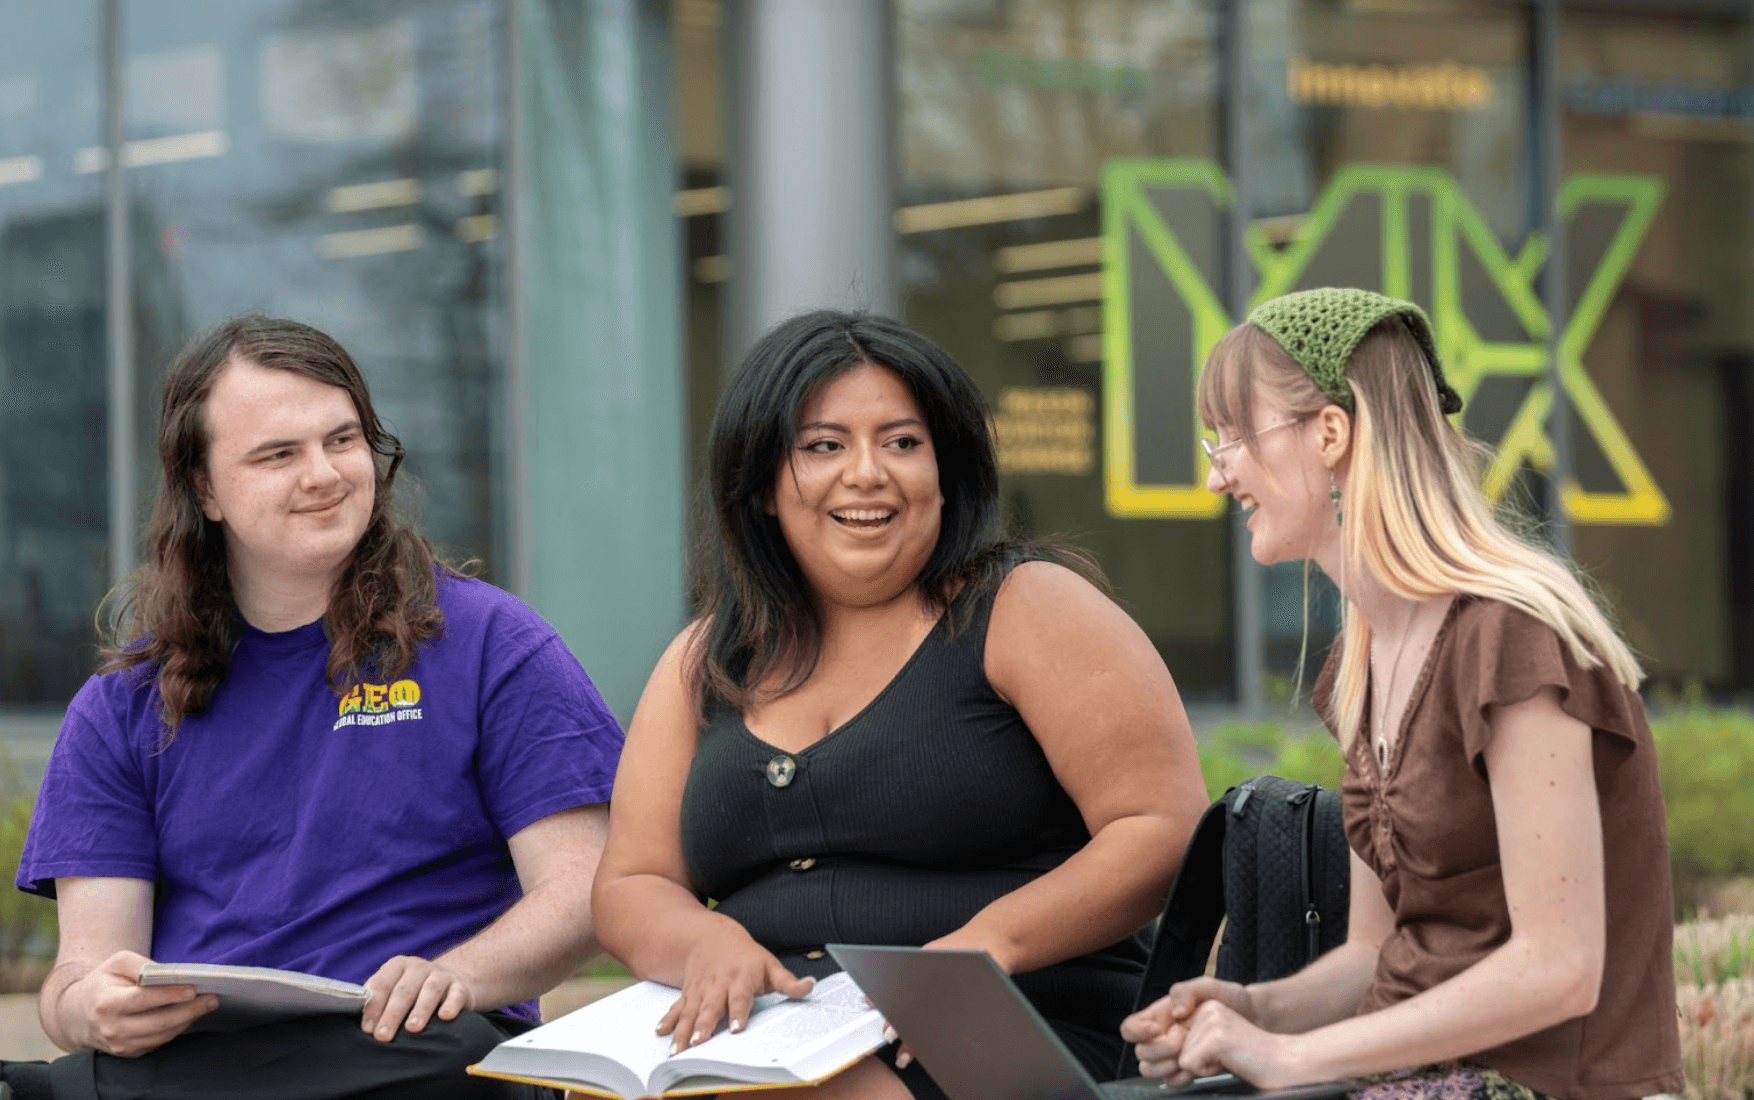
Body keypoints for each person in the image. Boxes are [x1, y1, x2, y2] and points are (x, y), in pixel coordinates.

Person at [591, 310, 1207, 1100]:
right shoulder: (704, 659)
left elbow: (1161, 827)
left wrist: (985, 945)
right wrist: (702, 940)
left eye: (902, 441)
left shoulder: (1026, 608)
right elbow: (633, 881)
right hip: (781, 1032)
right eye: (823, 445)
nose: (868, 472)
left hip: (1013, 1018)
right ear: (764, 486)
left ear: (946, 473)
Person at [11, 316, 624, 1100]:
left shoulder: (493, 644)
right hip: (203, 1057)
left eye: (343, 440)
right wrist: (92, 1010)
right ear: (204, 489)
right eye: (278, 454)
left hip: (412, 1058)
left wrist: (457, 975)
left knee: (451, 1054)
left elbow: (589, 888)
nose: (326, 474)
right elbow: (77, 976)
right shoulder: (121, 705)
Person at [1121, 288, 1684, 1100]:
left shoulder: (1510, 638)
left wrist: (1300, 1060)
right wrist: (1255, 1011)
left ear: (1330, 433)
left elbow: (1560, 968)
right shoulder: (1364, 662)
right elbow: (1378, 959)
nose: (1218, 475)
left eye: (1235, 436)